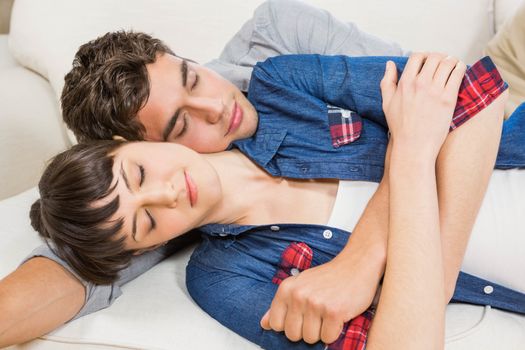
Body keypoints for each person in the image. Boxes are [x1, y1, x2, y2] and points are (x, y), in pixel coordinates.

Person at [0, 0, 522, 346]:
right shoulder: (224, 276)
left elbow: (473, 92)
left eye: (193, 76)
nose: (165, 194)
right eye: (146, 222)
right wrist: (414, 143)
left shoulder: (279, 81)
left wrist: (377, 265)